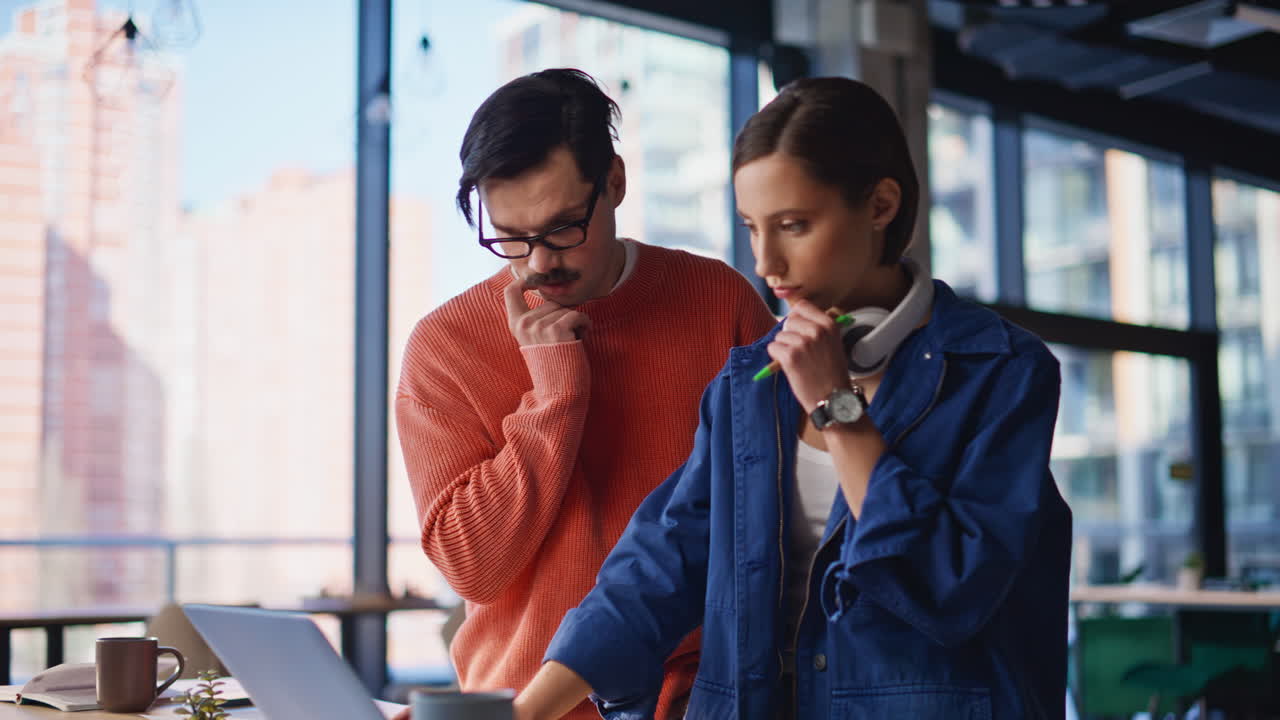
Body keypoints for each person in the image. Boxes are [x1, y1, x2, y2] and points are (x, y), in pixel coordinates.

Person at [514, 77, 1073, 720]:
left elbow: (952, 584)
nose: (767, 262)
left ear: (881, 204)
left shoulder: (1000, 371)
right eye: (752, 228)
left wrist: (838, 407)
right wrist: (521, 714)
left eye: (794, 225)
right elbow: (658, 568)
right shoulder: (749, 380)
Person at [394, 68, 778, 720]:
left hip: (698, 703)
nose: (539, 262)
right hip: (516, 708)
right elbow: (472, 570)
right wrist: (555, 395)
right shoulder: (445, 346)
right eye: (510, 236)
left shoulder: (720, 303)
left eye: (564, 226)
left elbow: (775, 515)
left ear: (617, 184)